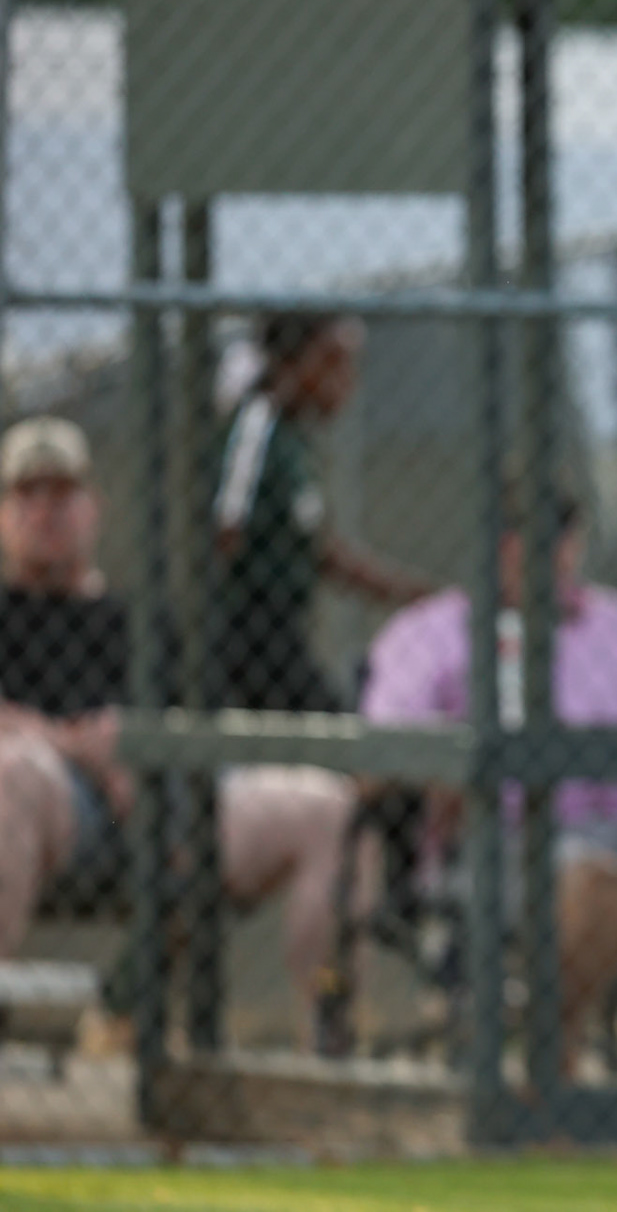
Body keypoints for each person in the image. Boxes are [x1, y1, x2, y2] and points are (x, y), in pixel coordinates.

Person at [358, 480, 617, 1077]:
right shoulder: (431, 632)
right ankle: (558, 1067)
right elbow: (378, 759)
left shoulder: (613, 623)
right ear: (498, 547)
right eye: (528, 543)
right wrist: (446, 771)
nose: (552, 560)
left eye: (563, 543)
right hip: (493, 846)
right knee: (597, 880)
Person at [0, 416, 368, 1046]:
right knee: (15, 770)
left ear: (94, 509)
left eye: (61, 494)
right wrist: (79, 749)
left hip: (163, 799)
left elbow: (200, 723)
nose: (45, 511)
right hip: (56, 808)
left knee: (325, 808)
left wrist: (144, 750)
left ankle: (328, 1046)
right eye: (26, 496)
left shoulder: (142, 619)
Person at [213, 311, 435, 712]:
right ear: (291, 362)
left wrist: (413, 594)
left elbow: (320, 550)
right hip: (246, 632)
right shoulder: (256, 426)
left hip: (282, 631)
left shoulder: (294, 442)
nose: (347, 380)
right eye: (332, 360)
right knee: (334, 734)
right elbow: (225, 528)